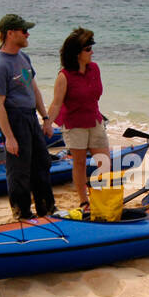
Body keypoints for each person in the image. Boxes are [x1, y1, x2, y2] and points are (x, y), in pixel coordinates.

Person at [0, 13, 55, 219]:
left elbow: (33, 89)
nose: (27, 34)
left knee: (42, 163)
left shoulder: (23, 58)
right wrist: (9, 137)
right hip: (14, 119)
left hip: (30, 118)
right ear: (10, 33)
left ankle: (47, 209)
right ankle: (22, 212)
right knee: (19, 170)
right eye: (24, 31)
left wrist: (45, 118)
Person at [47, 27, 107, 211]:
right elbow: (56, 104)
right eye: (88, 49)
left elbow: (95, 96)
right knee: (79, 163)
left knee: (103, 161)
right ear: (77, 53)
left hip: (95, 120)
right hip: (74, 125)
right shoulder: (64, 76)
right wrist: (47, 123)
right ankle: (84, 201)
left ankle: (101, 195)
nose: (92, 52)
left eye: (91, 47)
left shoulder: (94, 69)